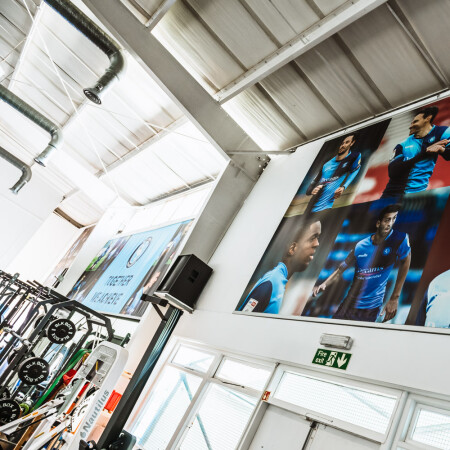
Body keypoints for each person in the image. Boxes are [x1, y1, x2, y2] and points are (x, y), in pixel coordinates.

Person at [312, 204, 411, 322]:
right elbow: (340, 270)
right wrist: (324, 284)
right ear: (378, 223)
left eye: (393, 219)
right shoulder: (360, 246)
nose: (390, 224)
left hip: (371, 309)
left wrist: (394, 298)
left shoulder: (400, 239)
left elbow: (406, 261)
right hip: (348, 304)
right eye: (387, 220)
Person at [239, 218, 321, 314]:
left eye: (318, 238)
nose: (317, 244)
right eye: (312, 238)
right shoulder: (270, 283)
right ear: (293, 249)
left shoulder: (278, 282)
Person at [382, 106, 450, 198]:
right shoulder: (402, 145)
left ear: (428, 118)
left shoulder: (443, 132)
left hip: (416, 196)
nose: (410, 126)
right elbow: (392, 172)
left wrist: (442, 150)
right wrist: (424, 154)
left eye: (415, 121)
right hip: (392, 194)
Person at [306, 134, 361, 212]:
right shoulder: (327, 163)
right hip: (311, 207)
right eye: (342, 143)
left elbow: (355, 170)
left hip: (326, 207)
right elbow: (312, 185)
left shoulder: (353, 157)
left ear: (352, 143)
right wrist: (312, 190)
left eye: (347, 142)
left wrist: (343, 187)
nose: (343, 145)